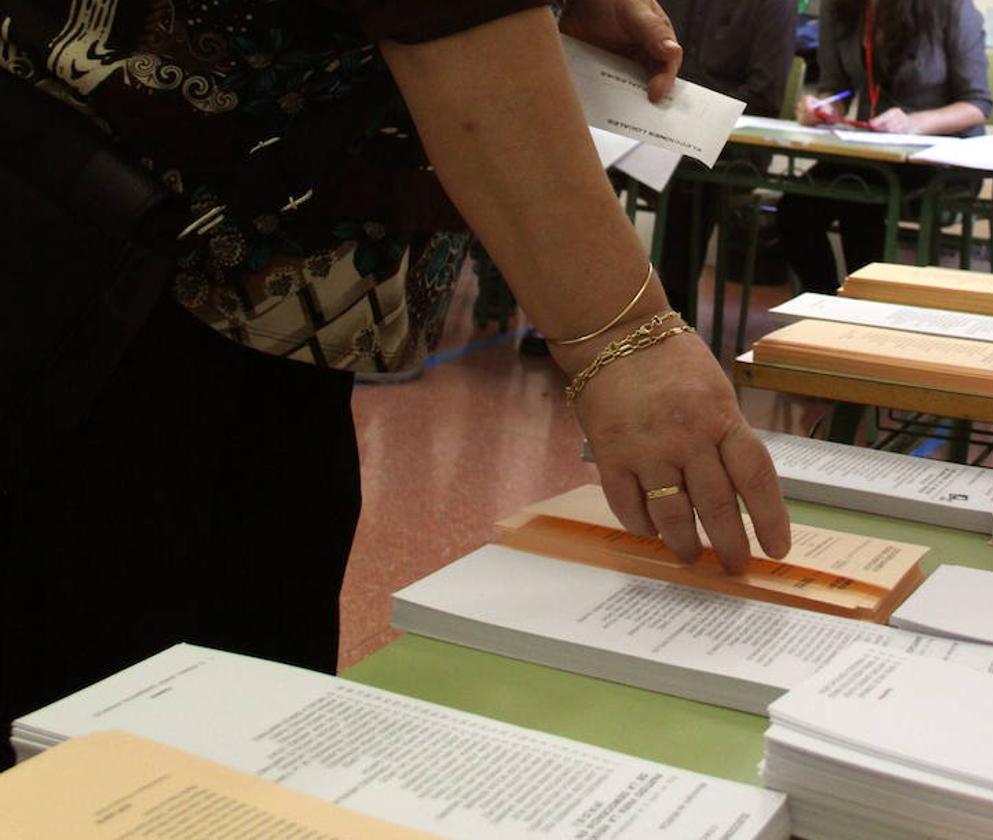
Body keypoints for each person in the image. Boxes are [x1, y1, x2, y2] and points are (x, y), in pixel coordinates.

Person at [0, 0, 790, 769]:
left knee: (244, 702)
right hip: (108, 254)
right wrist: (624, 335)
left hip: (277, 302)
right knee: (102, 717)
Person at [775, 0, 992, 293]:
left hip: (942, 156)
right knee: (795, 208)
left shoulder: (951, 7)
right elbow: (835, 86)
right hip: (873, 152)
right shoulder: (839, 7)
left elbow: (978, 105)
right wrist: (823, 109)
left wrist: (915, 123)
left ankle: (861, 314)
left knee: (858, 197)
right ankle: (825, 305)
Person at [654, 0, 797, 315]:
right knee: (583, 159)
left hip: (731, 139)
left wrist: (690, 114)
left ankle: (672, 312)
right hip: (656, 121)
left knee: (688, 177)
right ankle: (573, 306)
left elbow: (765, 95)